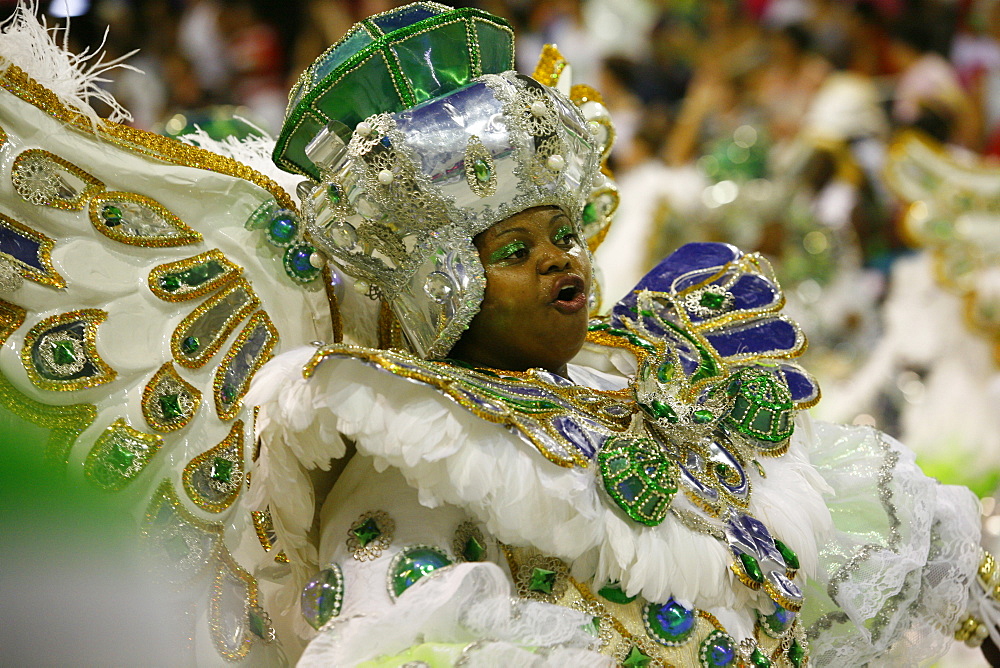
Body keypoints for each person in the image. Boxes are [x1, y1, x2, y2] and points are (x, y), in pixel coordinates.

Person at [245, 4, 1000, 667]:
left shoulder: (640, 384)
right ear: (445, 283)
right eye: (514, 251)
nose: (557, 257)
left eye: (563, 234)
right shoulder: (420, 448)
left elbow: (853, 552)